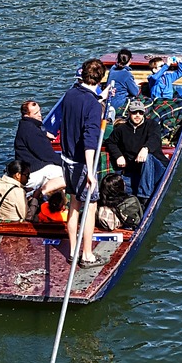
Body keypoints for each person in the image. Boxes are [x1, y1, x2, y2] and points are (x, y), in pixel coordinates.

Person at [59, 57, 106, 267]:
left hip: (66, 158)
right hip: (82, 163)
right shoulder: (93, 106)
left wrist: (99, 99)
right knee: (90, 208)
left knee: (74, 204)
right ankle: (86, 254)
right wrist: (90, 172)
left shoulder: (70, 94)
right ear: (100, 79)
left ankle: (72, 251)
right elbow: (89, 140)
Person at [105, 98, 167, 203]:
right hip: (134, 172)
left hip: (157, 169)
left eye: (140, 112)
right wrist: (119, 156)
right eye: (134, 112)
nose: (137, 115)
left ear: (144, 113)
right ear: (129, 113)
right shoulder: (121, 129)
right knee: (114, 187)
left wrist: (145, 148)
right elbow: (111, 143)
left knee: (147, 158)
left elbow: (155, 139)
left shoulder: (152, 125)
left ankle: (145, 198)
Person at [14, 100, 64, 194]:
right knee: (67, 175)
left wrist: (45, 133)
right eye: (36, 113)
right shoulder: (31, 131)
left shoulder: (25, 125)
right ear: (27, 115)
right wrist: (67, 164)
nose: (40, 115)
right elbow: (48, 155)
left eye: (39, 111)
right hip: (32, 174)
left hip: (29, 169)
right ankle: (40, 192)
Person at [105, 48, 140, 115]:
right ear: (130, 60)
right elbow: (135, 92)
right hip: (119, 103)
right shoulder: (126, 74)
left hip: (109, 100)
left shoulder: (112, 68)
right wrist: (135, 83)